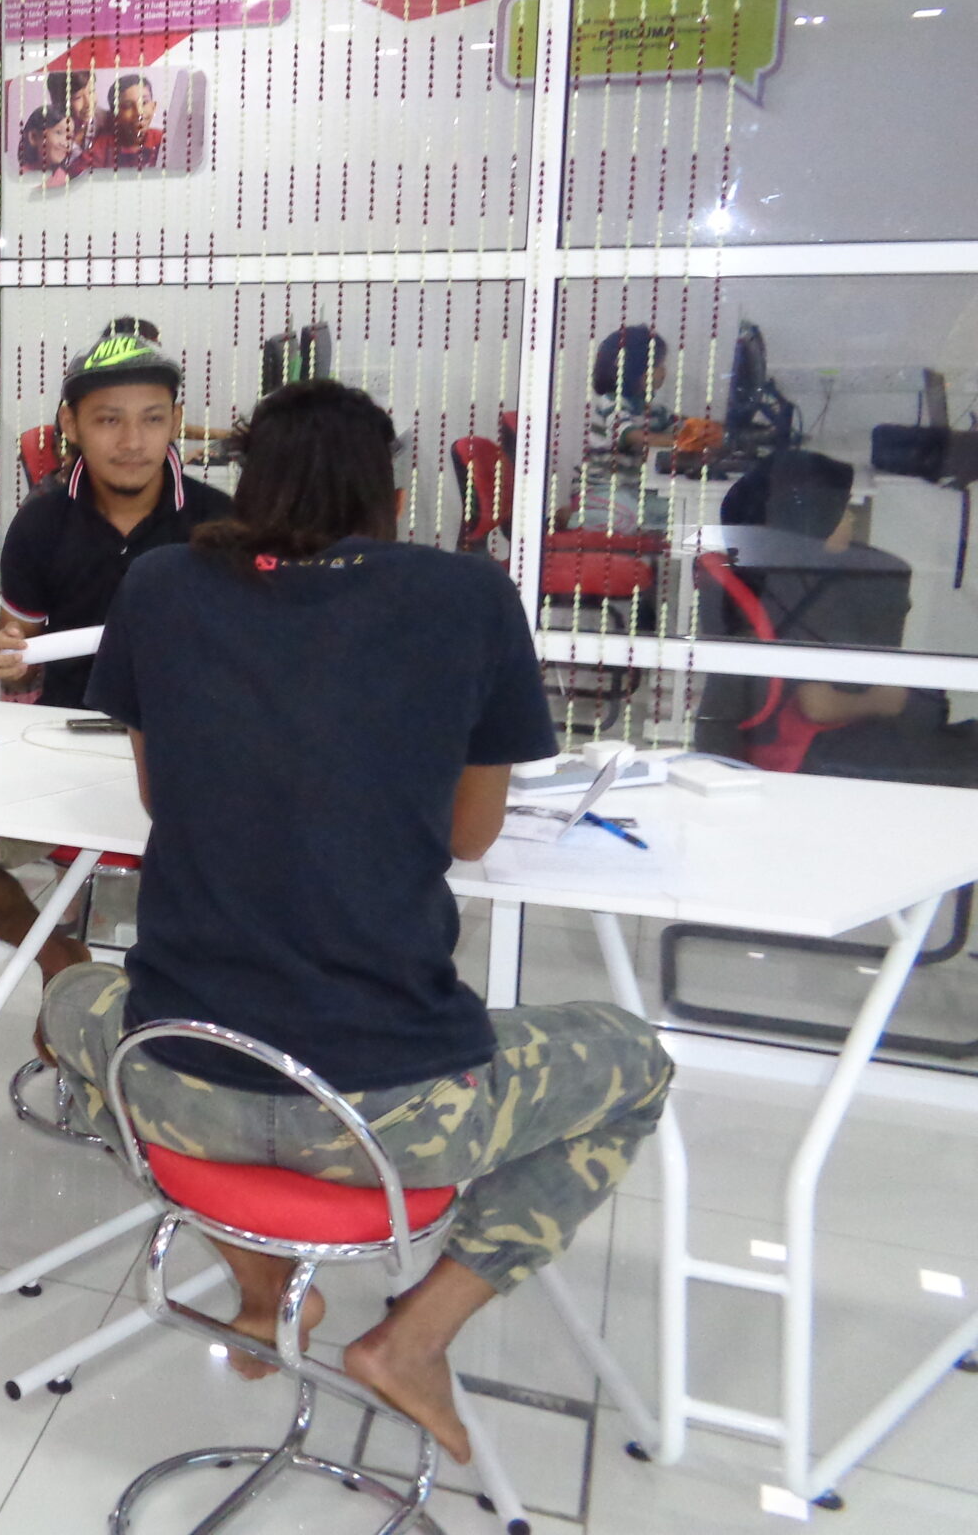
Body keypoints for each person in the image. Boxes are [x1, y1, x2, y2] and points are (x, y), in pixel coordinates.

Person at [41, 378, 673, 1463]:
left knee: (66, 1000)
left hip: (180, 1081)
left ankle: (261, 1287)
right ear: (390, 493)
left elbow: (159, 794)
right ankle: (414, 1338)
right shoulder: (465, 595)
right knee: (634, 1061)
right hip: (393, 1111)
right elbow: (469, 835)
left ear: (250, 483)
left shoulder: (162, 583)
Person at [0, 328, 228, 1010]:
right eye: (109, 420)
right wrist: (10, 661)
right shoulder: (41, 523)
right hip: (67, 746)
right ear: (71, 424)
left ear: (177, 420)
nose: (133, 441)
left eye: (153, 419)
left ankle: (193, 1013)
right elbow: (22, 660)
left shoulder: (223, 524)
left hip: (193, 756)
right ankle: (61, 960)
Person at [700, 449, 978, 785]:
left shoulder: (769, 571)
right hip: (815, 753)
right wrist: (883, 701)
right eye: (843, 511)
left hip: (815, 741)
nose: (851, 520)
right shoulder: (802, 593)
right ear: (812, 519)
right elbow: (818, 705)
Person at [569, 324, 678, 535]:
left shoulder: (655, 410)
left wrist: (707, 432)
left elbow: (681, 426)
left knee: (673, 513)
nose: (664, 371)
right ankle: (571, 517)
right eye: (659, 365)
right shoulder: (612, 403)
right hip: (597, 488)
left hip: (631, 490)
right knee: (629, 520)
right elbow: (631, 435)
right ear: (637, 371)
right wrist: (679, 441)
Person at [91, 73, 165, 170]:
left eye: (144, 102)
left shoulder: (163, 140)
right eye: (128, 106)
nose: (139, 112)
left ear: (153, 106)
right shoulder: (102, 148)